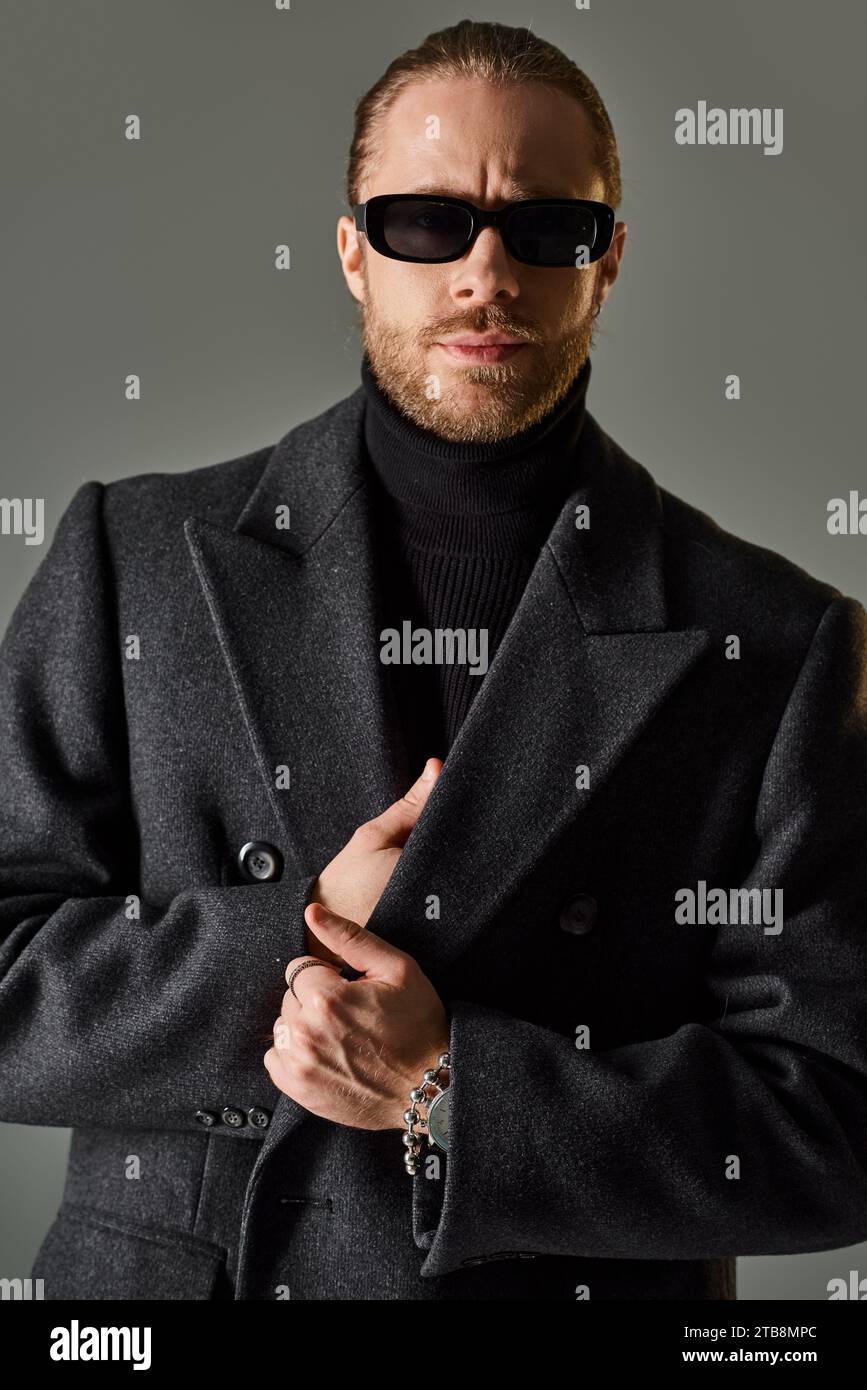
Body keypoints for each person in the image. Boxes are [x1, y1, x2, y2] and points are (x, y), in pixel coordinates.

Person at [2, 19, 866, 1302]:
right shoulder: (133, 554)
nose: (485, 274)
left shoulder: (782, 643)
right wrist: (294, 952)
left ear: (608, 262)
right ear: (352, 252)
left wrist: (454, 1095)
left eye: (545, 229)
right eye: (425, 223)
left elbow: (837, 1123)